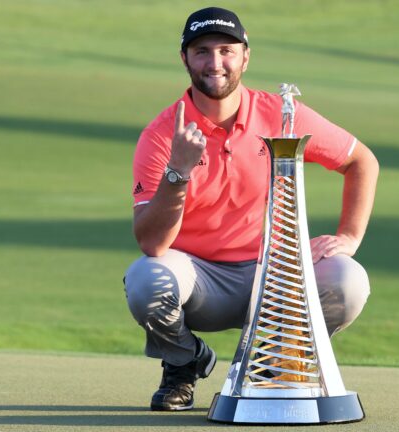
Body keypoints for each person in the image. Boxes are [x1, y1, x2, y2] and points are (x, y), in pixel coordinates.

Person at [124, 7, 379, 411]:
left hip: (277, 278)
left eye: (226, 50)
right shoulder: (162, 134)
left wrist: (349, 236)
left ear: (246, 56)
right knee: (145, 280)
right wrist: (178, 172)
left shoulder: (281, 114)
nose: (215, 63)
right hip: (200, 280)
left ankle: (274, 366)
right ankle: (183, 361)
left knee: (348, 280)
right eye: (202, 51)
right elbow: (152, 243)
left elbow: (360, 161)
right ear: (185, 59)